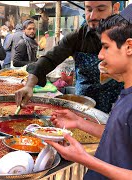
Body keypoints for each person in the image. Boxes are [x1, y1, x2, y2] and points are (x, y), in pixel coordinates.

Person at [46, 6, 132, 179]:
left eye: (106, 47)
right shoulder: (126, 93)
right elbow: (120, 136)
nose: (100, 55)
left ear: (129, 47)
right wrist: (79, 122)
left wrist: (84, 159)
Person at [15, 1, 123, 113]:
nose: (93, 16)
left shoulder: (126, 36)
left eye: (100, 9)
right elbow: (49, 59)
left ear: (115, 8)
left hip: (119, 108)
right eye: (89, 10)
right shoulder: (76, 37)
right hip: (83, 108)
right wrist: (29, 85)